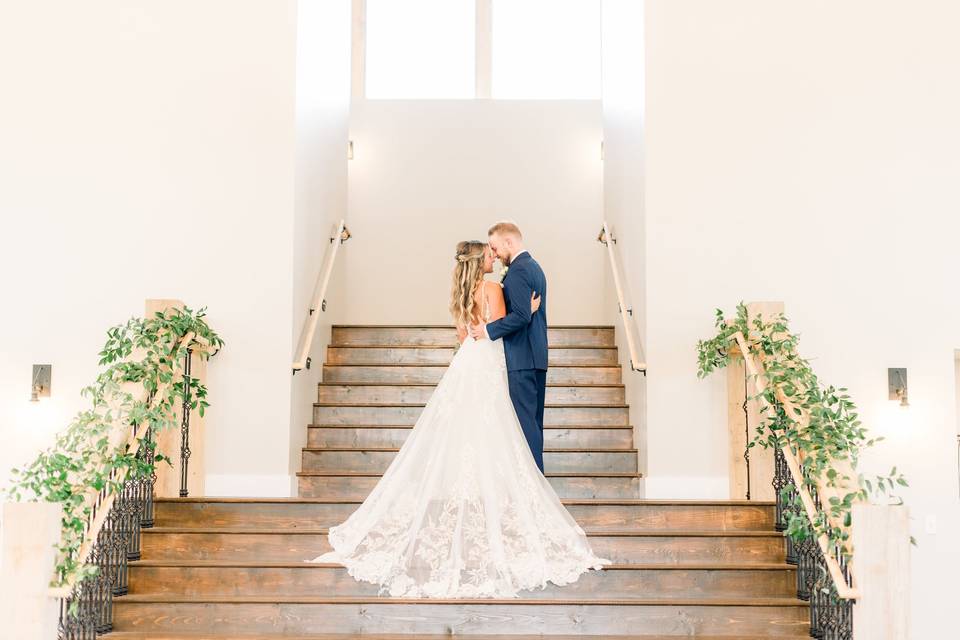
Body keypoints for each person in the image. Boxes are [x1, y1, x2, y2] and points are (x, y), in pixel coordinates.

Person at [309, 238, 608, 598]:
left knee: (466, 431)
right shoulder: (493, 288)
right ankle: (500, 504)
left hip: (466, 363)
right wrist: (526, 311)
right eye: (489, 255)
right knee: (496, 433)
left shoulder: (461, 293)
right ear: (481, 260)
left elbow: (465, 334)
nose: (493, 259)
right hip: (488, 363)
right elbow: (499, 328)